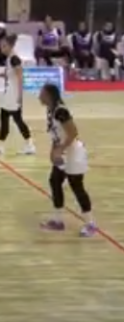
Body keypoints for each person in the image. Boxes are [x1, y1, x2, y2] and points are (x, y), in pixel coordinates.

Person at [38, 83, 95, 237]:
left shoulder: (61, 111)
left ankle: (90, 223)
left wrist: (60, 149)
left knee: (77, 187)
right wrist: (53, 152)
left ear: (49, 95)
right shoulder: (50, 111)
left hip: (74, 153)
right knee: (55, 181)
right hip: (63, 153)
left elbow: (73, 133)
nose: (39, 96)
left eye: (41, 93)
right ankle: (58, 221)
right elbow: (56, 135)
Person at [0, 34, 36, 156]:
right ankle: (1, 146)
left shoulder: (15, 59)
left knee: (18, 120)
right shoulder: (9, 59)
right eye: (1, 46)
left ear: (10, 46)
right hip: (8, 93)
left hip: (13, 94)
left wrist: (20, 96)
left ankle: (30, 145)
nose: (2, 48)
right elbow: (10, 75)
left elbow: (20, 77)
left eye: (4, 46)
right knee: (4, 118)